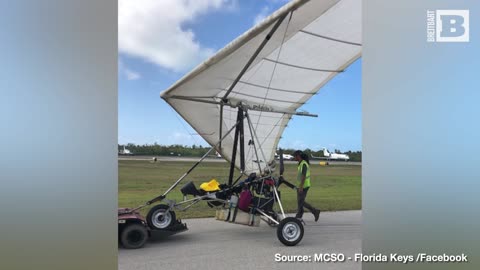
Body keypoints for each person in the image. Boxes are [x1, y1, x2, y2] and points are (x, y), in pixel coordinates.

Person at [293, 150, 320, 222]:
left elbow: (304, 176)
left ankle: (315, 211)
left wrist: (301, 186)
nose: (294, 157)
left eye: (294, 156)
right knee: (300, 201)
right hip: (301, 185)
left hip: (304, 186)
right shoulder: (301, 163)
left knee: (301, 202)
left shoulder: (303, 164)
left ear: (298, 156)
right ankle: (299, 215)